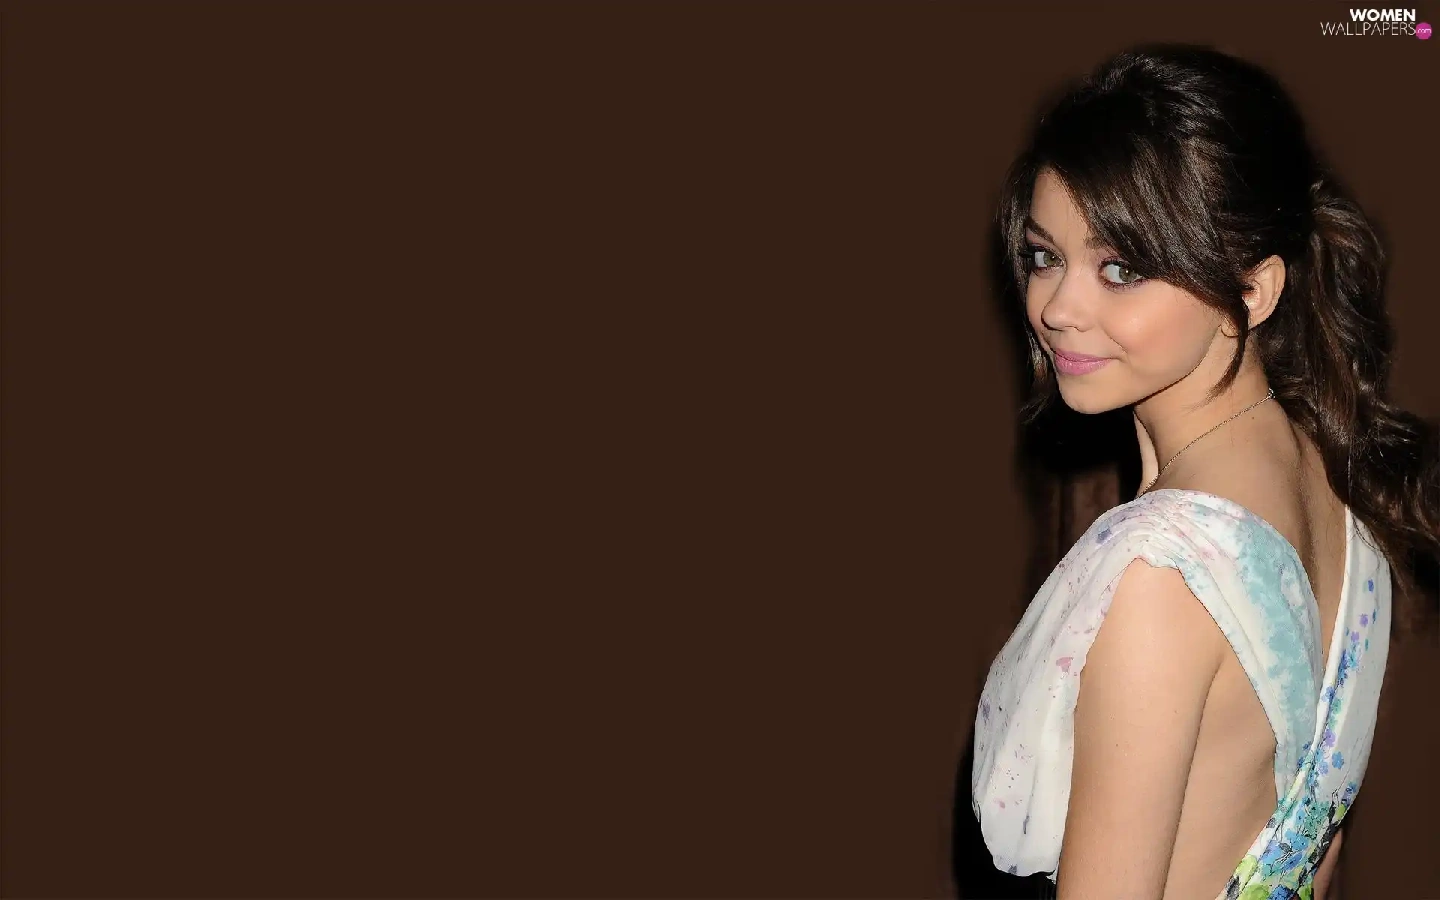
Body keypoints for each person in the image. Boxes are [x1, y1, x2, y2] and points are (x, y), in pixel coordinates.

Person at [970, 45, 1440, 899]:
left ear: (1254, 292)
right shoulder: (1335, 488)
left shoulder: (1161, 572)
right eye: (1044, 256)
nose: (1058, 308)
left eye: (1121, 269)